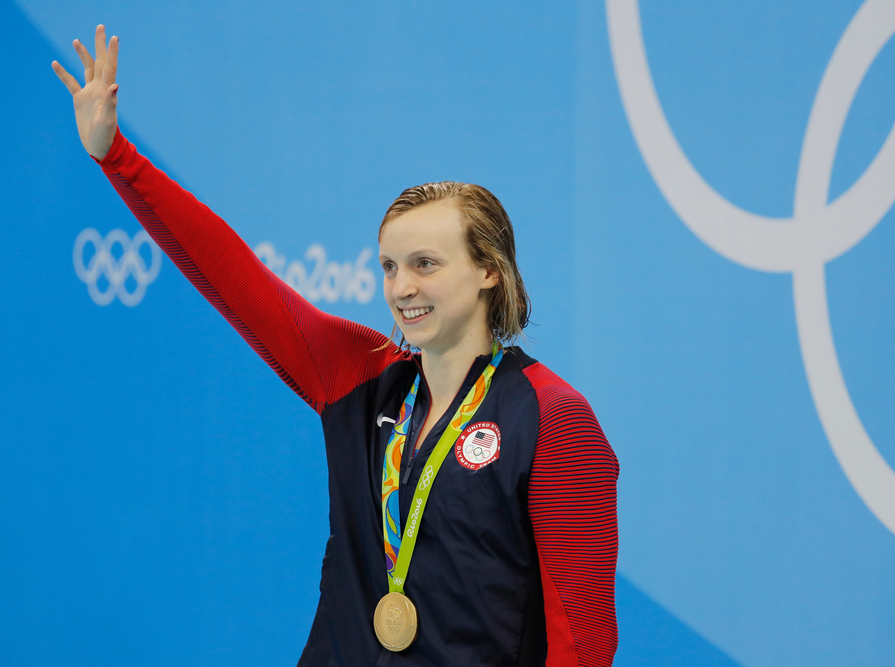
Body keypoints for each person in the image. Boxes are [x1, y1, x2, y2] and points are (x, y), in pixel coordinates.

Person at [53, 25, 619, 667]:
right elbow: (236, 281)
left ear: (490, 269)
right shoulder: (362, 376)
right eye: (388, 266)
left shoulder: (552, 417)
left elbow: (583, 638)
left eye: (426, 264)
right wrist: (116, 157)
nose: (402, 287)